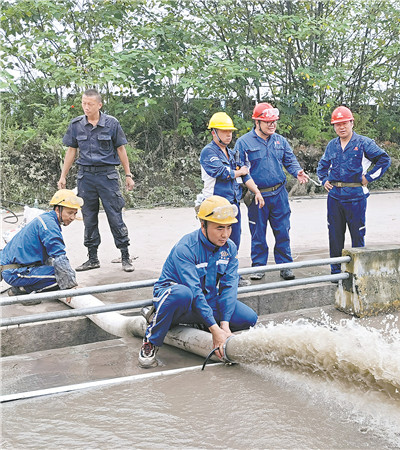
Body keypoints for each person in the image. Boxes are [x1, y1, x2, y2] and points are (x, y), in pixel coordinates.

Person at [138, 196, 258, 368]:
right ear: (203, 225)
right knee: (182, 293)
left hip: (204, 299)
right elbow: (193, 290)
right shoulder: (186, 248)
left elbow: (229, 287)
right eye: (219, 228)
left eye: (229, 227)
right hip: (177, 298)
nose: (225, 234)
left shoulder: (229, 248)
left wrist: (224, 325)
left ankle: (198, 322)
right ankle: (152, 338)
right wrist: (214, 329)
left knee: (248, 318)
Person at [59, 88, 135, 273]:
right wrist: (63, 175)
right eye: (84, 103)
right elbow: (71, 151)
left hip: (107, 176)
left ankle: (125, 256)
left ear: (99, 105)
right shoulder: (76, 124)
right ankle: (92, 258)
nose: (86, 107)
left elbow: (121, 149)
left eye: (90, 104)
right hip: (85, 177)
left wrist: (128, 175)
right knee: (89, 218)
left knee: (115, 216)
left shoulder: (112, 124)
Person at [233, 103, 309, 280]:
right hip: (257, 195)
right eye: (268, 122)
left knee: (283, 231)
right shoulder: (243, 143)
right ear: (257, 122)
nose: (272, 125)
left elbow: (289, 160)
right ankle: (258, 266)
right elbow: (240, 170)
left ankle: (285, 266)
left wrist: (297, 171)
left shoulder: (280, 141)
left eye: (274, 121)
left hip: (279, 194)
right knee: (258, 233)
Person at [317, 106, 391, 276]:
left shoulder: (364, 143)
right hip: (335, 196)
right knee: (335, 235)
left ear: (352, 123)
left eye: (344, 123)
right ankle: (336, 271)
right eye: (337, 124)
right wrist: (324, 180)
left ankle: (358, 272)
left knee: (357, 235)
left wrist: (369, 177)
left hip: (355, 196)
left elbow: (384, 160)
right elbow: (322, 166)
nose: (341, 127)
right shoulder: (332, 145)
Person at [196, 112, 265, 286]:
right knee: (213, 242)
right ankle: (210, 278)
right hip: (214, 205)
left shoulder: (232, 153)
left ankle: (231, 276)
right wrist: (239, 172)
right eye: (224, 131)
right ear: (214, 132)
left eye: (230, 131)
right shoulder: (208, 152)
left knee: (233, 242)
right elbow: (221, 172)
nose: (228, 135)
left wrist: (256, 191)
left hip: (232, 205)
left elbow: (245, 174)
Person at [0, 190, 81, 297]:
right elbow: (59, 256)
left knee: (63, 272)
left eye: (75, 213)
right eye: (70, 213)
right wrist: (70, 287)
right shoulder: (49, 226)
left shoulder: (47, 219)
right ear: (58, 209)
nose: (73, 217)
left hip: (12, 268)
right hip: (15, 272)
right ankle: (22, 289)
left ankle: (24, 285)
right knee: (61, 278)